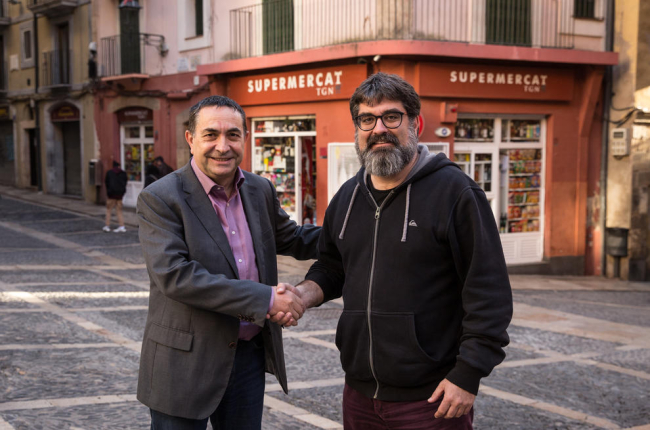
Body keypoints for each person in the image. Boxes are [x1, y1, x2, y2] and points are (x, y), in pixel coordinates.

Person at [279, 73, 513, 429]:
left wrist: (468, 374)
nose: (379, 129)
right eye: (367, 119)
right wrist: (302, 295)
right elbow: (332, 266)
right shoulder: (347, 196)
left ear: (415, 123)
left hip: (432, 398)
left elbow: (489, 292)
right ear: (357, 129)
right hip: (359, 394)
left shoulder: (456, 193)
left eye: (391, 117)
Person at [136, 95, 320, 429]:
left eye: (233, 135)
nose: (223, 146)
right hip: (184, 362)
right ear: (191, 138)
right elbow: (176, 276)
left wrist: (356, 232)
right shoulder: (161, 197)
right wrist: (267, 299)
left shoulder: (260, 189)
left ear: (245, 138)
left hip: (247, 356)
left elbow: (293, 237)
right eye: (211, 135)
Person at [103, 161, 127, 233]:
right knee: (119, 211)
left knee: (108, 210)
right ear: (119, 166)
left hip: (111, 195)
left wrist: (108, 192)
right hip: (120, 195)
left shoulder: (109, 173)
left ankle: (107, 226)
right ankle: (122, 226)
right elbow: (125, 183)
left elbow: (106, 182)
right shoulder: (123, 173)